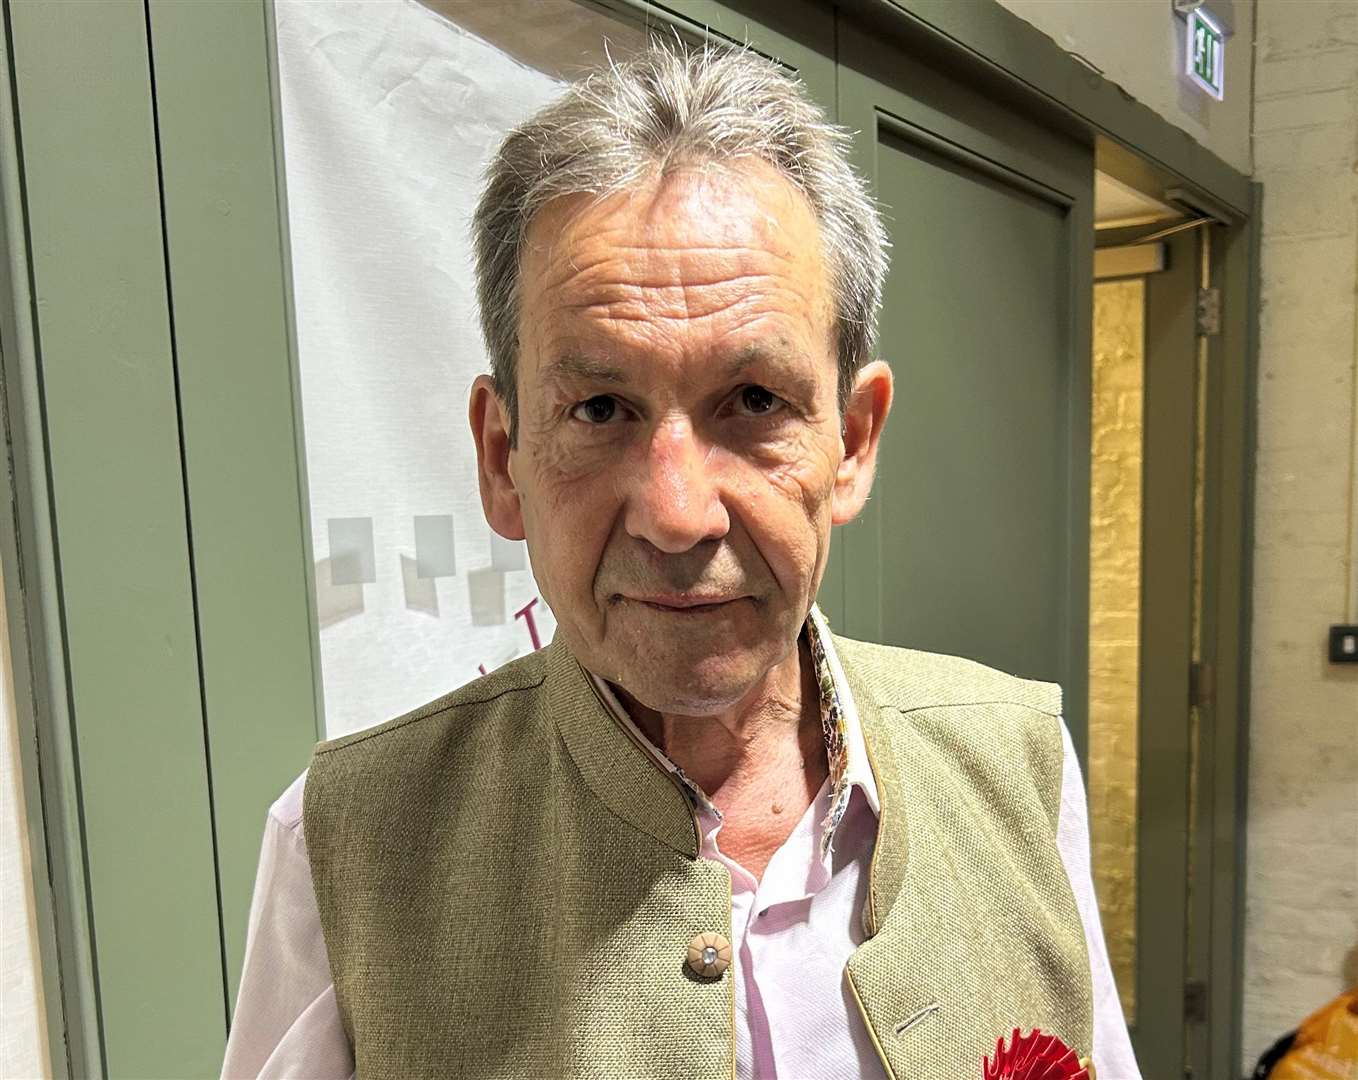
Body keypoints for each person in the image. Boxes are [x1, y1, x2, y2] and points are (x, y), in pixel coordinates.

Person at [222, 40, 1140, 1080]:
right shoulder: (349, 847)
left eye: (753, 403)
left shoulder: (1015, 767)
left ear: (853, 442)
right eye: (599, 408)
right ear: (501, 457)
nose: (674, 513)